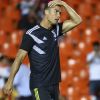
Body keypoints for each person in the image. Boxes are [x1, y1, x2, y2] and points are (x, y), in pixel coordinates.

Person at [3, 0, 82, 100]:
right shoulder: (31, 34)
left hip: (54, 84)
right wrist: (10, 81)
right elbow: (19, 59)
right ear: (46, 12)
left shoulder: (56, 29)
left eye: (60, 13)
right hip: (40, 85)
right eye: (56, 12)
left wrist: (64, 4)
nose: (58, 16)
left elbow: (78, 20)